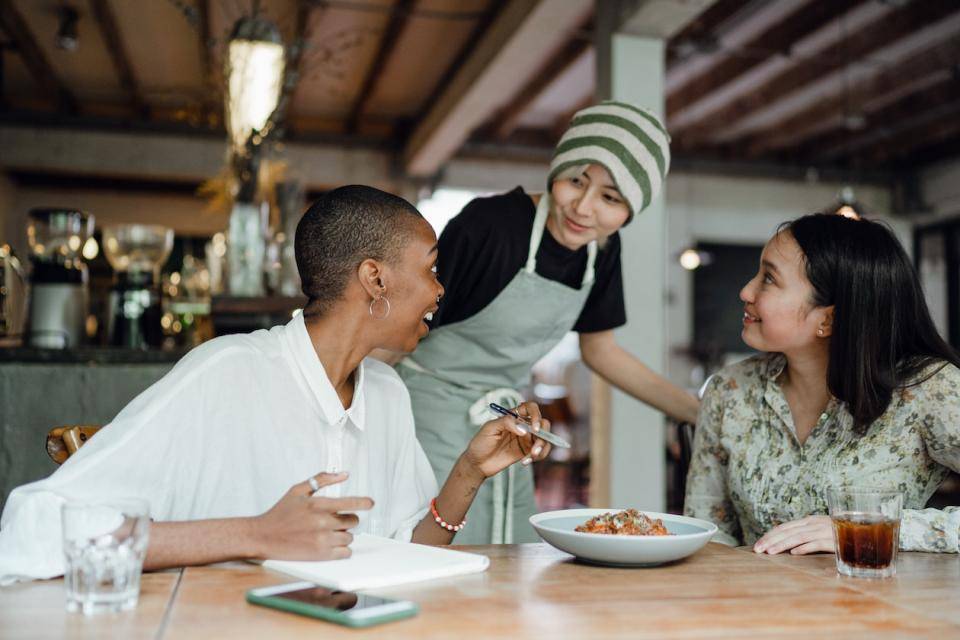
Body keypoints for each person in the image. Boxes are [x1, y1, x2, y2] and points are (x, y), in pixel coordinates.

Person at [0, 186, 553, 584]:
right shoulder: (227, 372)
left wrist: (469, 471)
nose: (440, 290)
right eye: (431, 268)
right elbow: (32, 528)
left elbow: (406, 556)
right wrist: (254, 534)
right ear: (375, 278)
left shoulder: (387, 393)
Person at [393, 101, 699, 544]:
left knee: (510, 553)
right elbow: (401, 325)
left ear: (629, 213)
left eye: (610, 198)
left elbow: (601, 351)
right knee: (437, 550)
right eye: (577, 181)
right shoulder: (490, 225)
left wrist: (696, 413)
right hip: (426, 415)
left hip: (504, 419)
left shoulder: (602, 252)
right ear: (558, 169)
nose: (584, 208)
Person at [685, 212, 960, 554]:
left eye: (768, 279)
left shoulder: (927, 389)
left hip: (878, 604)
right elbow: (707, 535)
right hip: (754, 603)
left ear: (828, 318)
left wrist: (866, 530)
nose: (746, 291)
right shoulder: (729, 390)